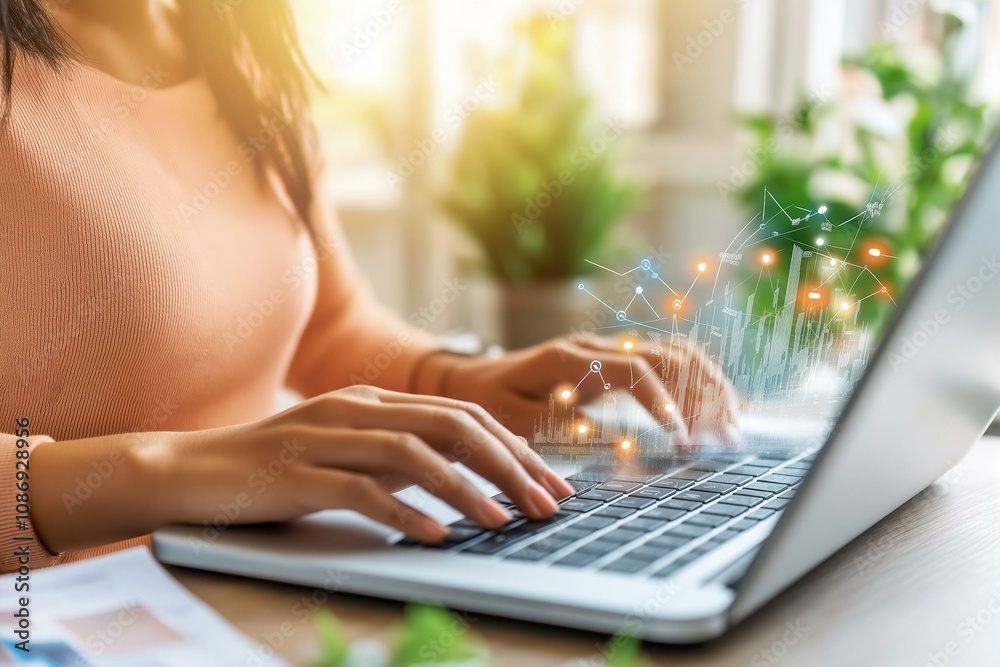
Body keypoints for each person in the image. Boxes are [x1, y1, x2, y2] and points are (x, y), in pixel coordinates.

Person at [0, 0, 738, 573]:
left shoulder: (239, 47)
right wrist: (170, 471)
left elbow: (331, 325)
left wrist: (464, 378)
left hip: (242, 589)